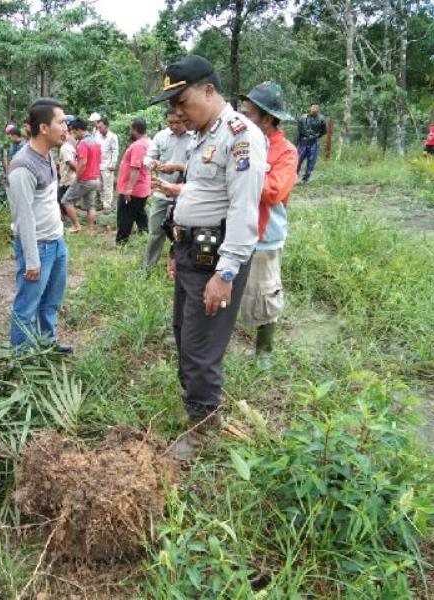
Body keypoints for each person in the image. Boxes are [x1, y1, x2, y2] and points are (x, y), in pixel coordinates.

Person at [149, 55, 267, 457]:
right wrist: (174, 246)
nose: (178, 113)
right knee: (184, 332)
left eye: (182, 102)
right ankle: (194, 405)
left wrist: (226, 273)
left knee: (201, 345)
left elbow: (243, 209)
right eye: (173, 106)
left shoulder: (240, 136)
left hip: (214, 259)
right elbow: (199, 194)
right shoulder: (202, 135)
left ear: (209, 90)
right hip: (190, 250)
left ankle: (202, 430)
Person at [238, 82, 298, 369]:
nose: (244, 117)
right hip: (236, 230)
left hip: (265, 235)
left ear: (267, 118)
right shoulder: (241, 143)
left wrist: (241, 175)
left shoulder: (286, 152)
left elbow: (274, 191)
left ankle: (264, 352)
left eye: (249, 113)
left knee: (266, 293)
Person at [8, 98, 71, 353]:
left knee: (50, 302)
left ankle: (47, 344)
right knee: (27, 306)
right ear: (44, 128)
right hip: (38, 247)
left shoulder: (47, 156)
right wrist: (32, 260)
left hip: (55, 242)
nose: (65, 128)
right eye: (61, 122)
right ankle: (21, 358)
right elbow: (23, 217)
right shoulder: (22, 166)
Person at [143, 107, 194, 271]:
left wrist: (178, 167)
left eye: (177, 122)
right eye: (170, 123)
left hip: (184, 194)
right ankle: (147, 268)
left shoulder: (195, 137)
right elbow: (147, 158)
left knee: (182, 234)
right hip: (161, 193)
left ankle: (179, 269)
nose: (174, 126)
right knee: (155, 232)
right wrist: (152, 163)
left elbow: (199, 167)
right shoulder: (161, 136)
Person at [61, 118, 101, 233]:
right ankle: (90, 230)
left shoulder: (83, 143)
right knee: (91, 206)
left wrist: (77, 178)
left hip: (85, 179)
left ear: (79, 130)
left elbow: (83, 163)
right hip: (95, 178)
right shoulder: (96, 142)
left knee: (66, 201)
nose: (74, 135)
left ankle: (76, 226)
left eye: (74, 132)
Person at [115, 118, 151, 244]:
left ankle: (121, 242)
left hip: (133, 189)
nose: (130, 132)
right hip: (141, 187)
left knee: (125, 216)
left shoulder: (138, 146)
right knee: (139, 212)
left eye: (131, 129)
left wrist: (128, 189)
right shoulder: (148, 142)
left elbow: (135, 168)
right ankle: (146, 235)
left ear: (135, 129)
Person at [296, 103, 327, 183]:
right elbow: (299, 130)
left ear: (319, 109)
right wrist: (297, 142)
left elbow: (324, 131)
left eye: (317, 108)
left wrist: (316, 136)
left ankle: (305, 179)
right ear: (310, 108)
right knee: (298, 160)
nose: (315, 109)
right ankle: (293, 177)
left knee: (311, 161)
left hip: (314, 142)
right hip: (303, 142)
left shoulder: (322, 119)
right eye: (313, 107)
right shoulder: (303, 117)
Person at [97, 117, 119, 212]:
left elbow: (115, 151)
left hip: (107, 165)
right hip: (98, 164)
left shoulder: (113, 136)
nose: (99, 129)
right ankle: (102, 202)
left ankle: (107, 205)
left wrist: (113, 164)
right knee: (99, 185)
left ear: (106, 126)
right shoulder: (97, 136)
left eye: (100, 127)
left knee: (108, 186)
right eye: (98, 127)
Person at [58, 131, 77, 207]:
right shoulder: (69, 147)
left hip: (67, 179)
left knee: (61, 200)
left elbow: (70, 163)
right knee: (67, 201)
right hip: (69, 178)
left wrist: (79, 172)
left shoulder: (64, 148)